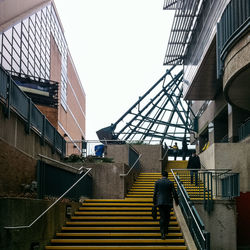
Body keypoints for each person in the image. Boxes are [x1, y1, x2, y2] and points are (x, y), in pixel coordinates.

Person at [153, 171, 179, 240]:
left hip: (160, 202)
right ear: (167, 176)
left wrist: (154, 203)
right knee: (167, 216)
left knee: (162, 217)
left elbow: (155, 193)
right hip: (168, 202)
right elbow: (174, 192)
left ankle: (162, 233)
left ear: (161, 175)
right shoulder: (170, 182)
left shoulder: (157, 182)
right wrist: (177, 202)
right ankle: (166, 230)